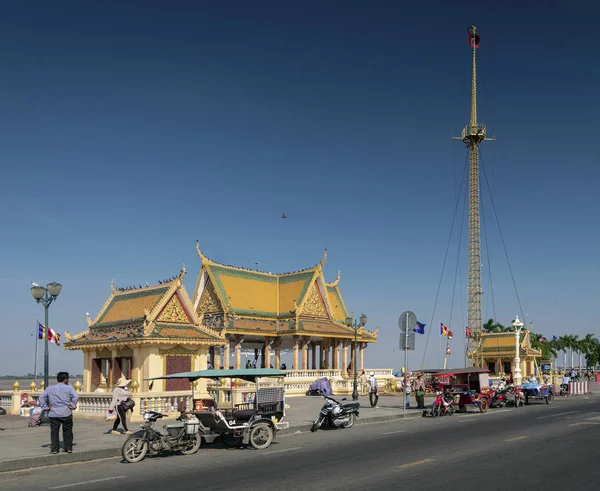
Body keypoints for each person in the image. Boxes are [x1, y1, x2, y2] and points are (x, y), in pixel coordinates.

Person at [38, 372, 79, 454]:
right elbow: (76, 396)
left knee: (54, 432)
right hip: (66, 412)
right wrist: (72, 405)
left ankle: (54, 449)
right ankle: (68, 448)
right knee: (67, 431)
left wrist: (45, 407)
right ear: (65, 379)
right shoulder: (69, 388)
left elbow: (41, 398)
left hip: (54, 412)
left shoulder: (50, 388)